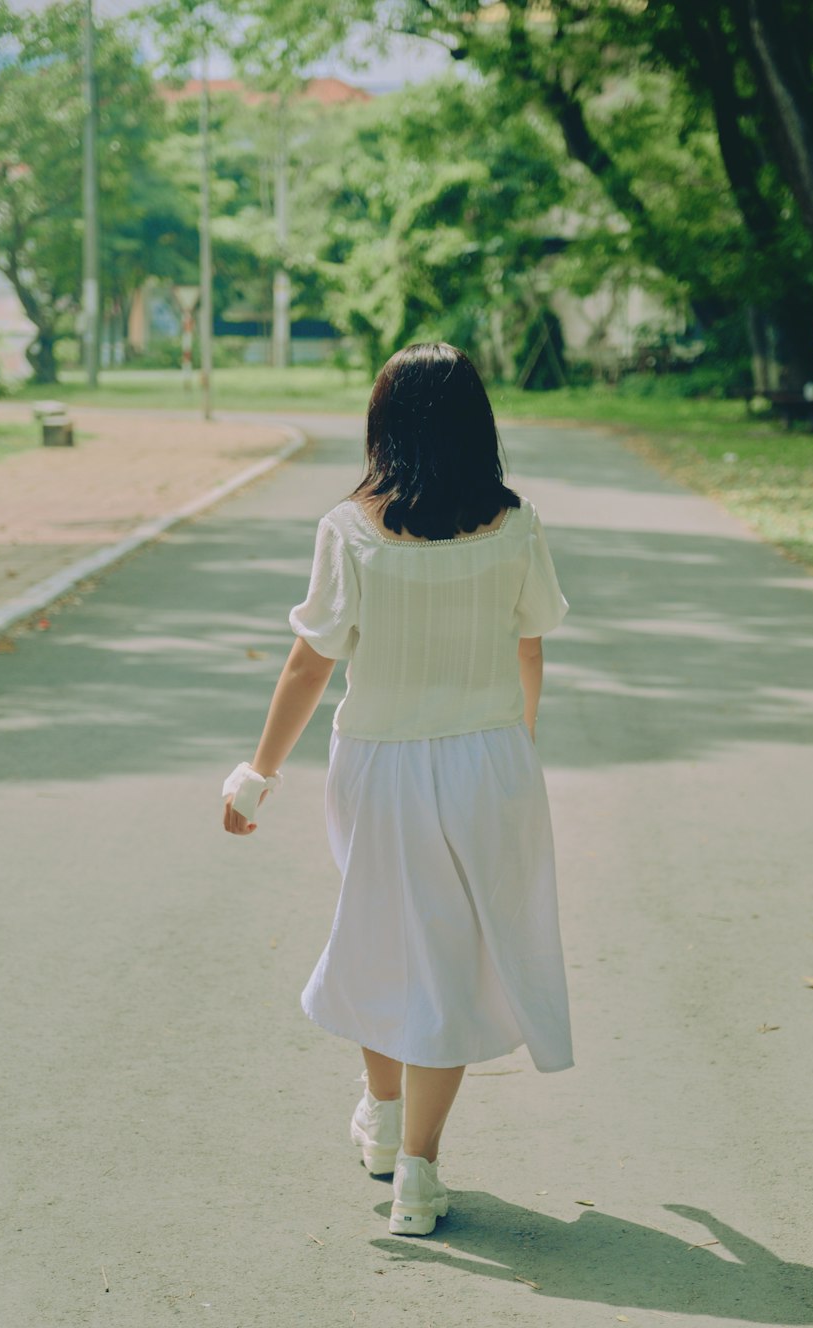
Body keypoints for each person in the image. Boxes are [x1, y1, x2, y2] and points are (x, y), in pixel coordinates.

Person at [222, 342, 573, 1236]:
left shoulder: (350, 529)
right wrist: (514, 741)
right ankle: (416, 1168)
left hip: (379, 761)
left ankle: (382, 1119)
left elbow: (309, 664)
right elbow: (530, 643)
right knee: (448, 957)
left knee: (380, 931)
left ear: (384, 424)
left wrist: (258, 773)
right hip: (488, 759)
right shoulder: (519, 522)